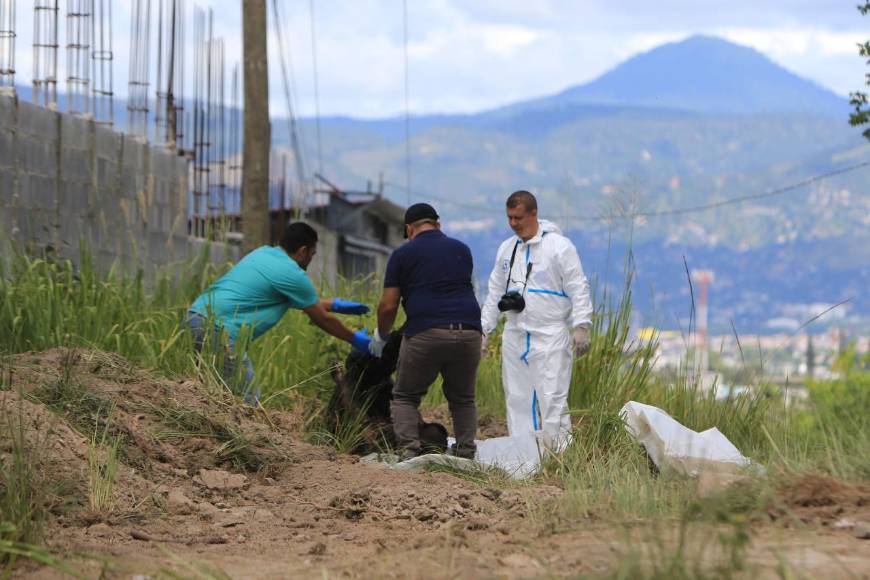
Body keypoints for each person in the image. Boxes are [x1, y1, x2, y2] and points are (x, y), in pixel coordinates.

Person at [187, 221, 371, 401]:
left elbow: (279, 298)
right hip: (220, 330)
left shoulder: (262, 253)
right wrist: (354, 339)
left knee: (212, 392)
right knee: (248, 398)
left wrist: (335, 305)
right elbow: (322, 319)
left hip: (195, 317)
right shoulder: (293, 274)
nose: (310, 260)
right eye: (312, 254)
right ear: (302, 251)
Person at [480, 190, 593, 449]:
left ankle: (559, 454)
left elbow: (578, 286)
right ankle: (524, 456)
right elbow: (494, 292)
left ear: (534, 214)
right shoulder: (507, 250)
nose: (513, 223)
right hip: (515, 333)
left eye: (518, 217)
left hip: (549, 334)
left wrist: (581, 325)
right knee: (517, 398)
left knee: (552, 397)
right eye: (509, 218)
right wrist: (484, 330)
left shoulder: (559, 248)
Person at [369, 203, 482, 459]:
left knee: (405, 396)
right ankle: (465, 452)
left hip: (427, 332)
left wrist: (382, 336)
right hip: (470, 332)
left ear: (409, 229)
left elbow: (388, 306)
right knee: (463, 398)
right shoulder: (461, 250)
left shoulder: (403, 255)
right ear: (437, 225)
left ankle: (409, 453)